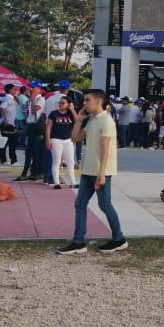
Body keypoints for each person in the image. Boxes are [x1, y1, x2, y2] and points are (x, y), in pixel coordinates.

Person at [57, 89, 127, 255]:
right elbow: (75, 138)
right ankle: (78, 241)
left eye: (88, 100)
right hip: (89, 170)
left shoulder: (106, 121)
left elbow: (106, 149)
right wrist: (79, 120)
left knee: (104, 204)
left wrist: (102, 173)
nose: (84, 103)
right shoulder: (92, 120)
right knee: (80, 204)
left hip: (100, 171)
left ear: (98, 102)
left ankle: (119, 238)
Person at [46, 96, 77, 189]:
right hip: (56, 139)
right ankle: (56, 183)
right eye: (60, 102)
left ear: (68, 104)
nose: (60, 104)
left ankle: (73, 182)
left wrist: (72, 109)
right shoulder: (53, 113)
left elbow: (77, 120)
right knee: (57, 161)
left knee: (70, 162)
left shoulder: (70, 114)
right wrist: (48, 139)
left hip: (68, 140)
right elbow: (48, 126)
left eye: (63, 103)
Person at [0, 84, 19, 166]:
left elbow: (18, 103)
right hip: (8, 123)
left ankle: (3, 160)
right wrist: (5, 121)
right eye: (14, 89)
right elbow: (2, 108)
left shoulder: (8, 98)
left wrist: (15, 96)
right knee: (12, 142)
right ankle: (13, 160)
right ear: (10, 90)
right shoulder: (8, 99)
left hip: (9, 123)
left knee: (5, 142)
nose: (15, 91)